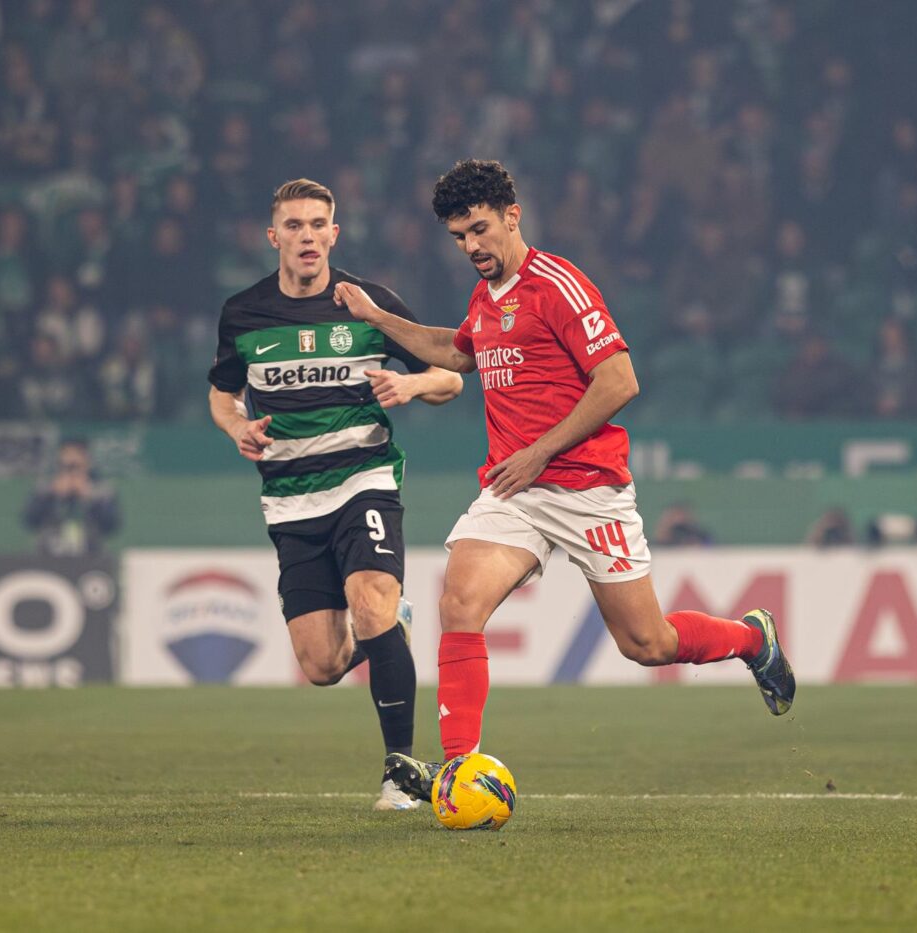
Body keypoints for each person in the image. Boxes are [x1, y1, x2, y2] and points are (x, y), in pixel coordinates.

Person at [333, 159, 795, 801]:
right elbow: (455, 351)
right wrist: (381, 320)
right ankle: (459, 771)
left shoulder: (559, 285)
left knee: (648, 642)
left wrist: (541, 451)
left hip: (587, 487)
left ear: (513, 216)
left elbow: (620, 380)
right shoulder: (486, 296)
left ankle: (752, 639)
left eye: (481, 229)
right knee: (459, 603)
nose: (472, 247)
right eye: (459, 237)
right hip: (514, 493)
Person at [207, 179, 463, 811]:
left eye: (318, 224)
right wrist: (237, 424)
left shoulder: (369, 303)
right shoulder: (243, 315)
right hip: (290, 502)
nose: (307, 236)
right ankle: (389, 629)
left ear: (334, 234)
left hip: (363, 481)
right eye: (293, 225)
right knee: (321, 665)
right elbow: (221, 392)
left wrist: (412, 388)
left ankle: (399, 775)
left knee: (370, 603)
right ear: (275, 238)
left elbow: (451, 374)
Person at [22, 438, 121, 556]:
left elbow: (111, 524)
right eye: (67, 465)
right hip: (48, 552)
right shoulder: (45, 486)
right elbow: (30, 520)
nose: (72, 470)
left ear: (87, 462)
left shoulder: (101, 489)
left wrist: (89, 498)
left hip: (91, 553)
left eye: (76, 465)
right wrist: (52, 495)